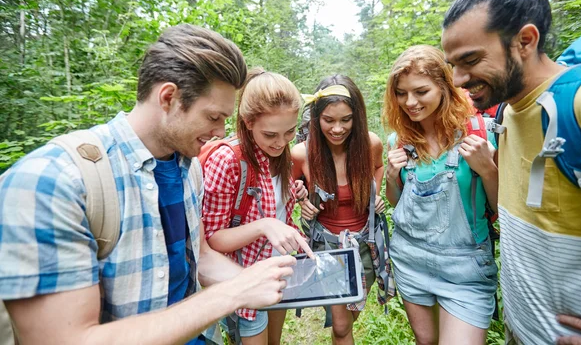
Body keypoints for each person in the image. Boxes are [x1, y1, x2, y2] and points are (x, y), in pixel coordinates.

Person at [0, 24, 297, 345]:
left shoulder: (189, 169)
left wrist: (263, 282)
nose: (220, 131)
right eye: (213, 117)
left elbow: (202, 258)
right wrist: (229, 295)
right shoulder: (53, 182)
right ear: (169, 97)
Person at [441, 0, 581, 344]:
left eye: (471, 60)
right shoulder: (508, 114)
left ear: (525, 41)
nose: (459, 79)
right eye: (453, 65)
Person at [382, 45, 498, 345]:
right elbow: (397, 201)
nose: (410, 102)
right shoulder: (399, 139)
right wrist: (392, 178)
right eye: (401, 93)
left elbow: (505, 210)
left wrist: (488, 171)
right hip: (410, 258)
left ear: (445, 86)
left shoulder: (480, 132)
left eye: (421, 91)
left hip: (466, 266)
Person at [201, 68, 313, 345]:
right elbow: (212, 240)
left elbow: (273, 205)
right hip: (243, 276)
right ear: (248, 122)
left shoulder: (281, 154)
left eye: (290, 132)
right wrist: (265, 225)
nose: (281, 142)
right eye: (271, 134)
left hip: (278, 269)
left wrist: (291, 193)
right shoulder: (228, 161)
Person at [291, 75, 385, 345]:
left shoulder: (370, 144)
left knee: (349, 318)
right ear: (316, 117)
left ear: (357, 116)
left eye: (346, 119)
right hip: (326, 247)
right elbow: (291, 184)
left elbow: (378, 167)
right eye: (329, 120)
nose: (337, 128)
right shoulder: (302, 153)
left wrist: (373, 192)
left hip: (364, 245)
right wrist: (301, 199)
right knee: (342, 325)